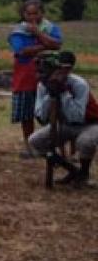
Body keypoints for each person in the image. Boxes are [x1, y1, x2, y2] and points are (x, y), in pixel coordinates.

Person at [28, 51, 98, 188]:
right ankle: (72, 170)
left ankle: (84, 174)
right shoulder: (43, 85)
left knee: (85, 141)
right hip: (65, 124)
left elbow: (76, 116)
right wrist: (50, 95)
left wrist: (64, 92)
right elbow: (41, 117)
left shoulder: (79, 84)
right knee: (35, 141)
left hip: (90, 123)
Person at [9, 0, 62, 159]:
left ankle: (51, 145)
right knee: (27, 115)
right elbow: (22, 51)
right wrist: (45, 45)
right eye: (29, 14)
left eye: (36, 13)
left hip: (48, 76)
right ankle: (30, 146)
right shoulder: (17, 32)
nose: (32, 17)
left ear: (42, 13)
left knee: (53, 112)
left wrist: (38, 33)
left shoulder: (51, 28)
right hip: (25, 77)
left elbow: (57, 44)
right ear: (24, 14)